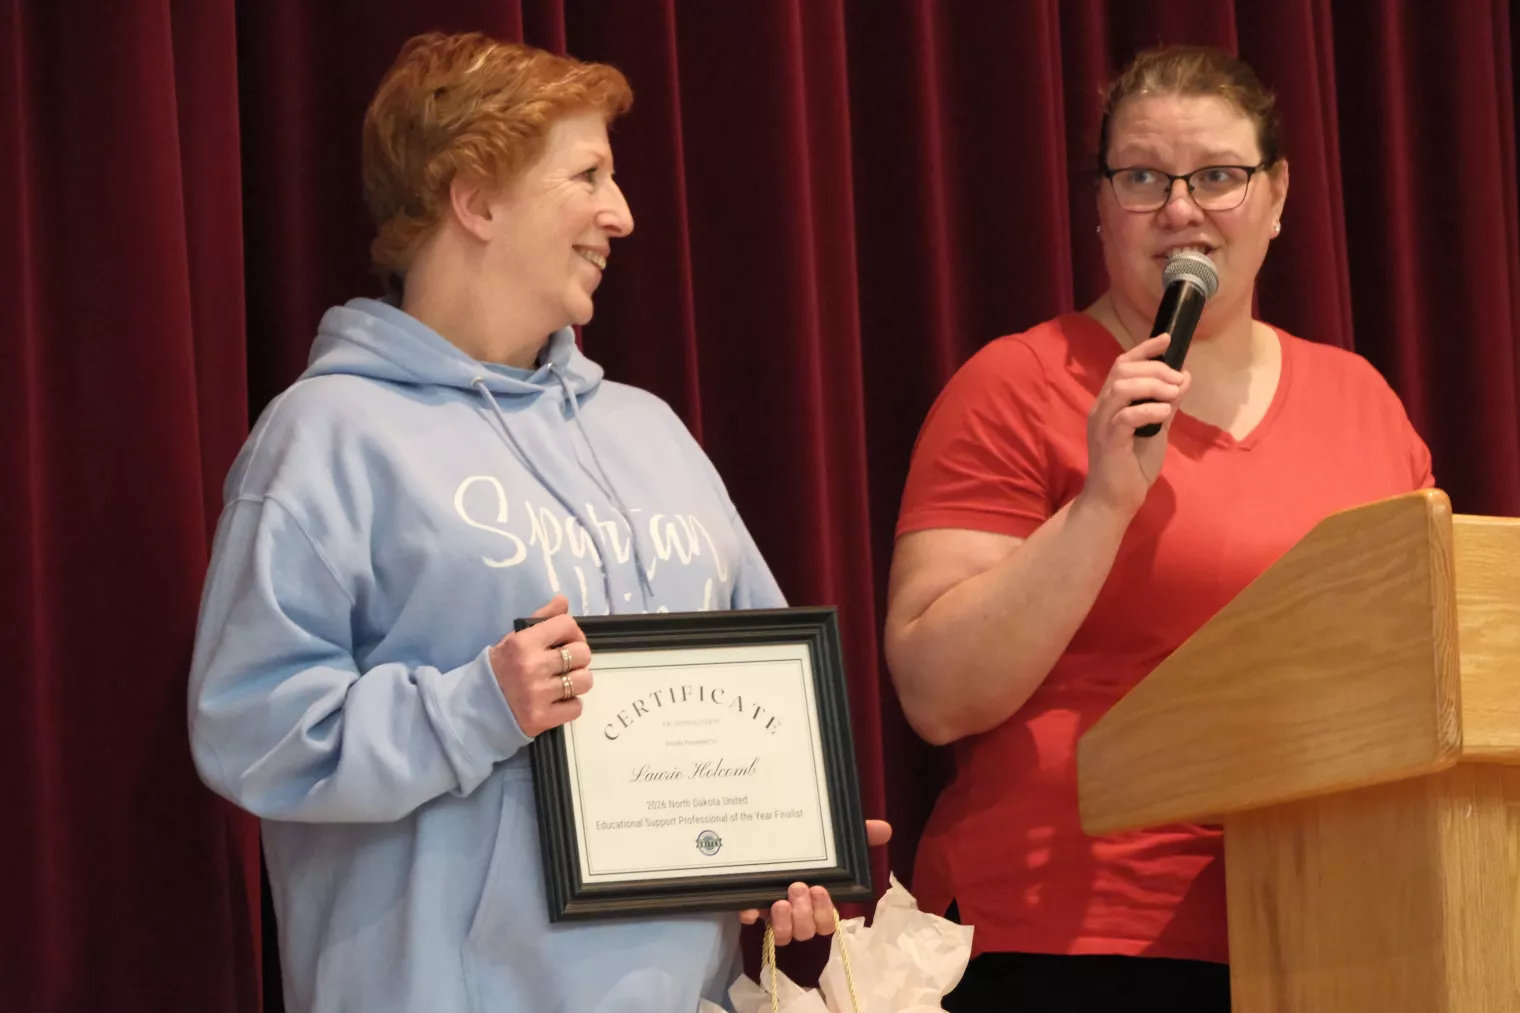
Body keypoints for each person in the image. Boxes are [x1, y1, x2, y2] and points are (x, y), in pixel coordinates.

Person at [189, 32, 885, 1013]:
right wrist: (478, 703)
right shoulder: (326, 437)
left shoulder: (650, 433)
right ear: (475, 199)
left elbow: (758, 690)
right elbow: (255, 729)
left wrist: (787, 848)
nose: (622, 214)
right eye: (588, 175)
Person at [884, 45, 1433, 1012]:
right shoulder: (1015, 385)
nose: (1181, 210)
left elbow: (1434, 652)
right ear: (1101, 207)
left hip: (1339, 922)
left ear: (1276, 195)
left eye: (1218, 175)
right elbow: (937, 693)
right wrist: (1102, 502)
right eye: (1142, 177)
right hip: (1077, 935)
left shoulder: (1363, 402)